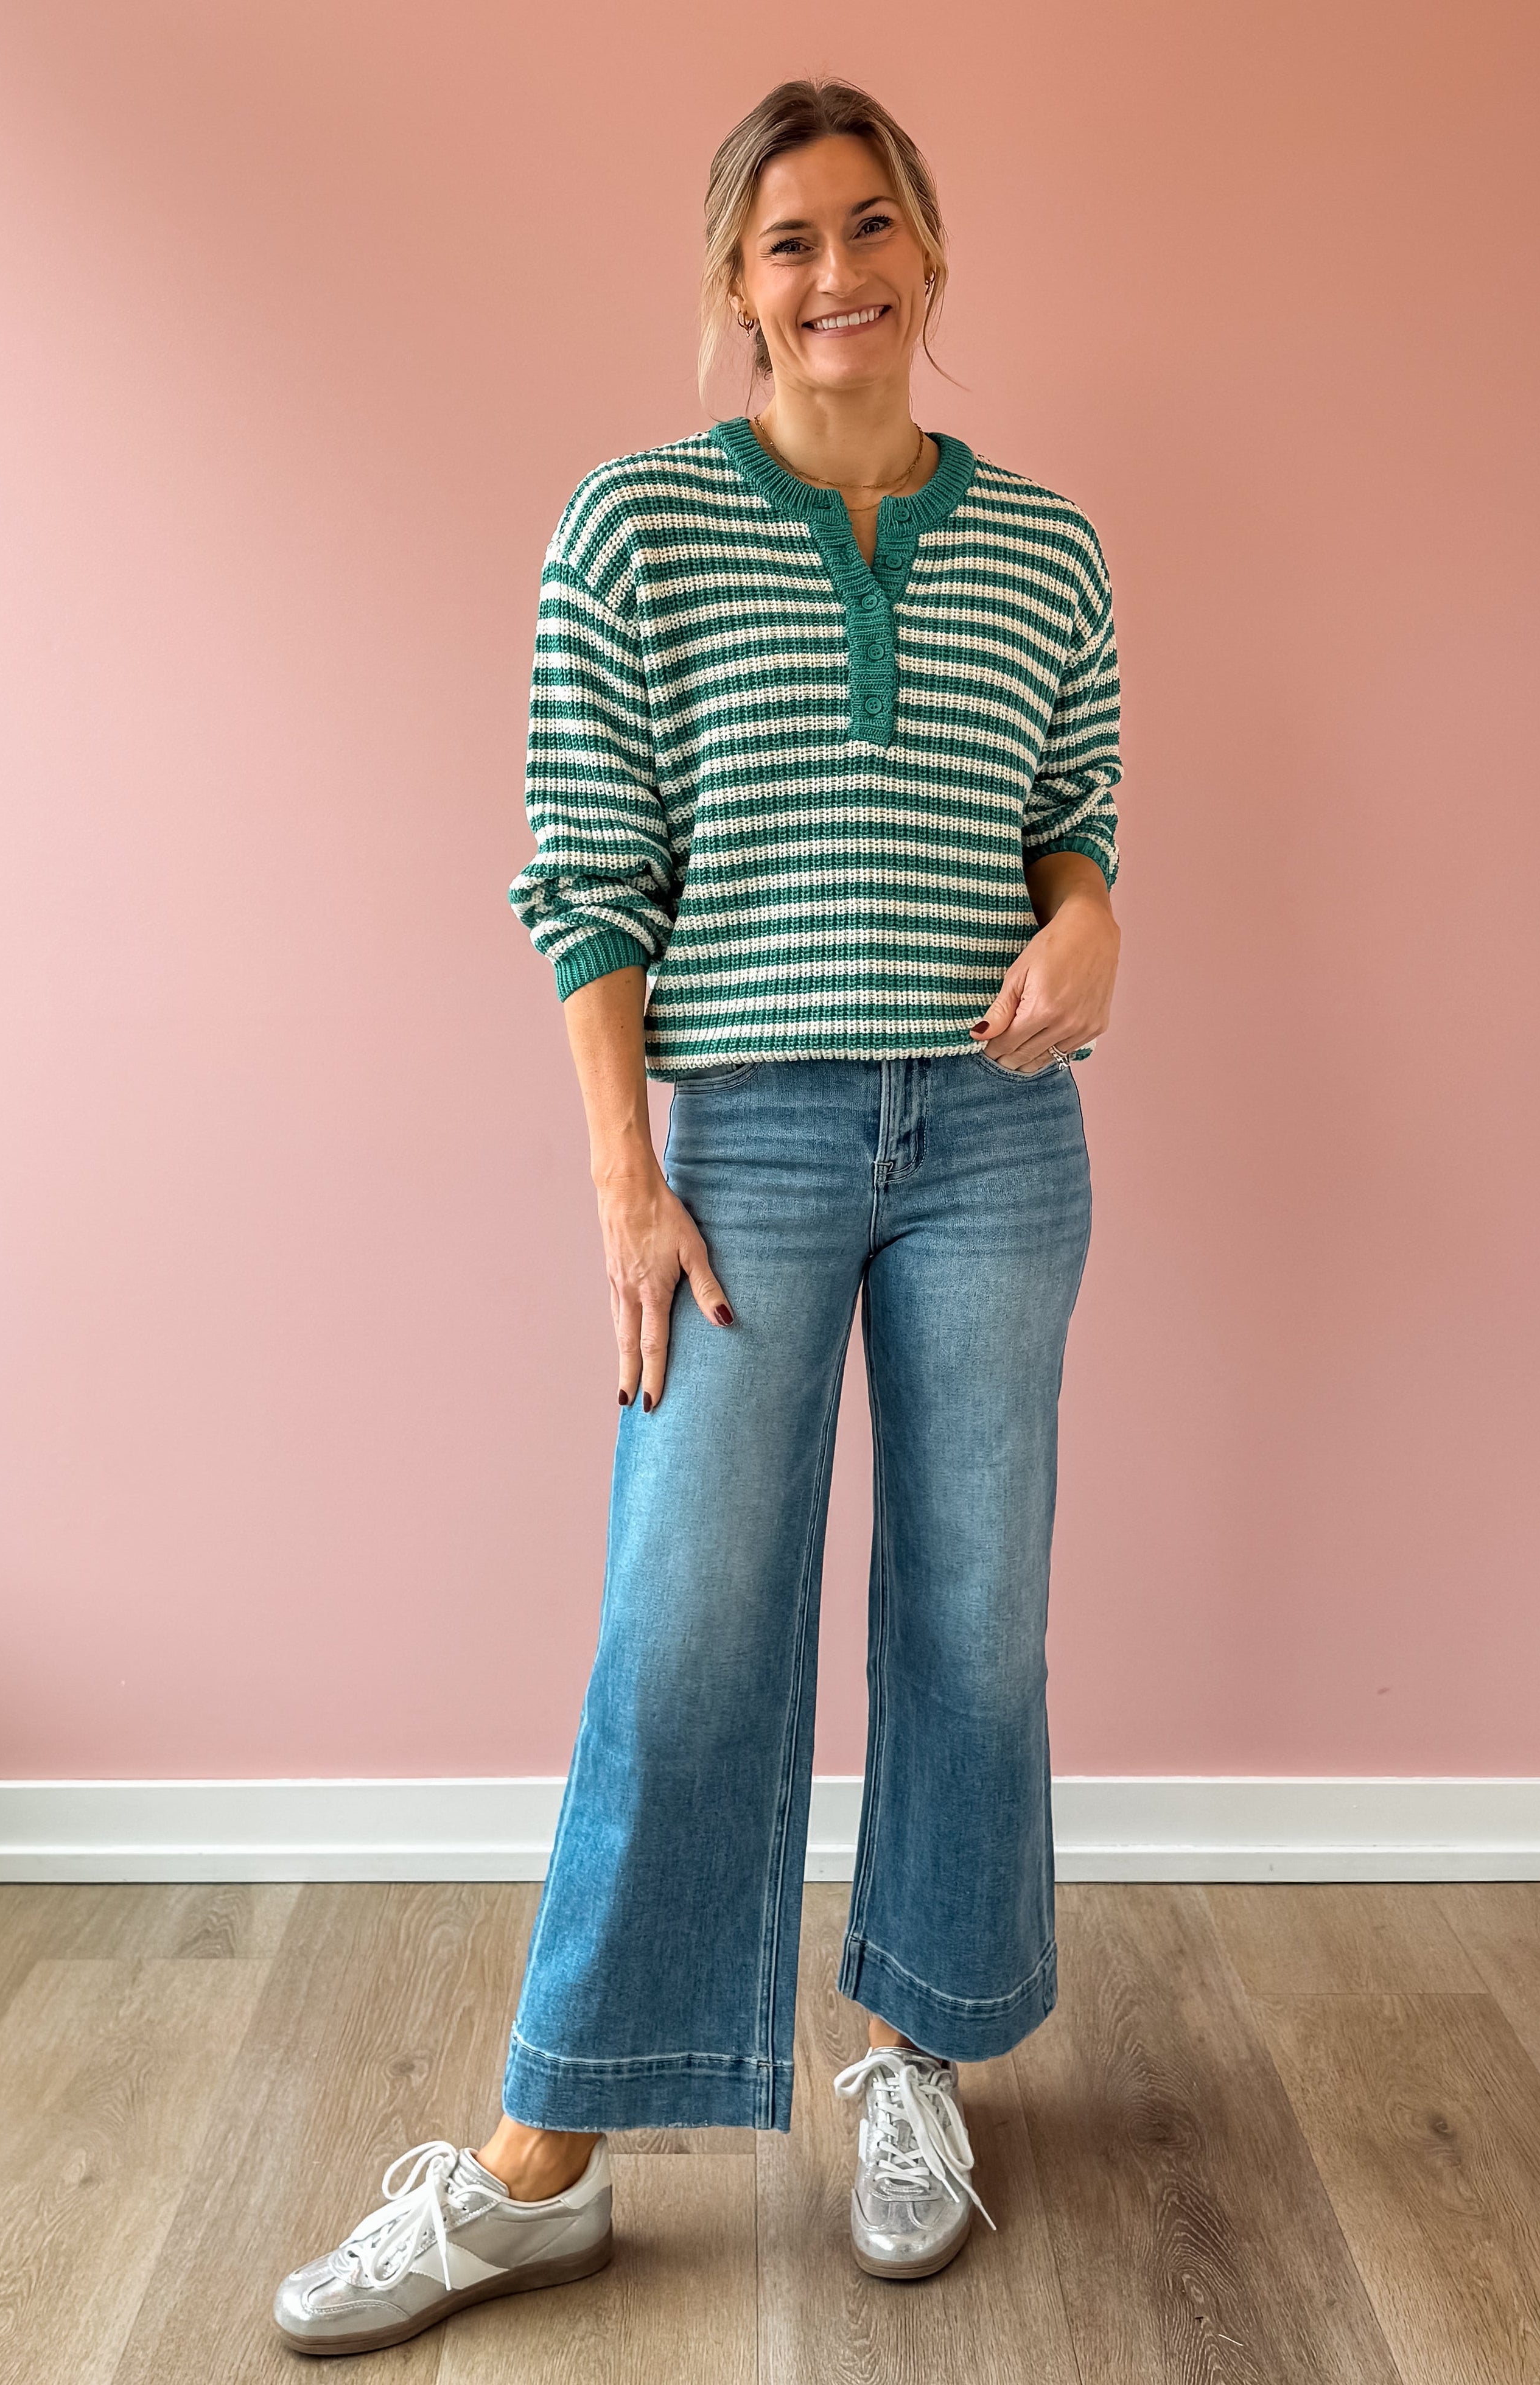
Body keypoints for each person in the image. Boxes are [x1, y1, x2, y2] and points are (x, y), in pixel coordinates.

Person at [273, 72, 1122, 2356]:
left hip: (992, 1137)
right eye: (783, 242)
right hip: (732, 1141)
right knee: (687, 1640)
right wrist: (623, 1180)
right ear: (731, 285)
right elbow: (582, 873)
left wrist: (1095, 918)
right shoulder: (632, 527)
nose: (832, 274)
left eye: (867, 227)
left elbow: (1075, 802)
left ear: (930, 250)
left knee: (975, 1623)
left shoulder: (1041, 544)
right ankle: (546, 2159)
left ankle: (913, 2058)